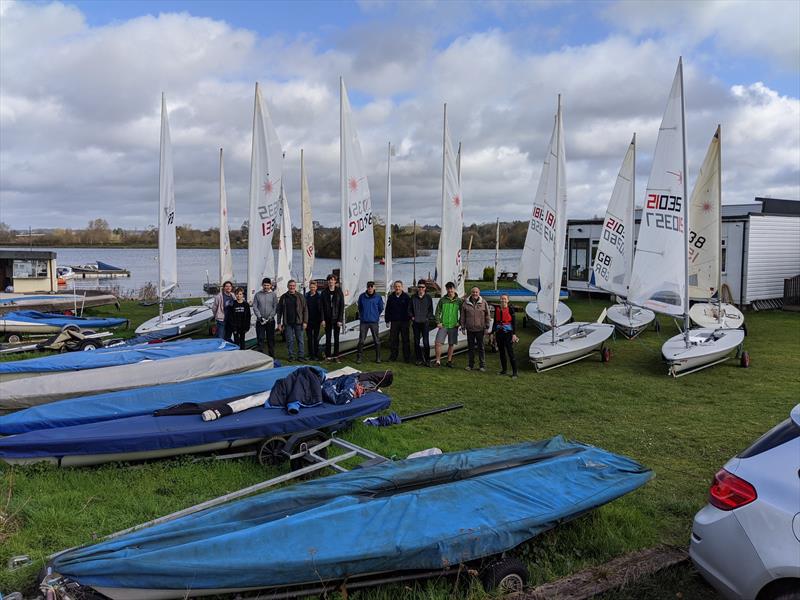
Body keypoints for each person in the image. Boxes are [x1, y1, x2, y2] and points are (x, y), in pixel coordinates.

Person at [460, 286, 490, 371]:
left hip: (480, 329)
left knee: (481, 348)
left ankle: (482, 365)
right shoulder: (466, 303)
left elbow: (487, 315)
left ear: (479, 293)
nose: (475, 294)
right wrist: (462, 326)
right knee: (471, 348)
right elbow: (463, 316)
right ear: (471, 293)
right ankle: (470, 365)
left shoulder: (483, 302)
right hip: (470, 329)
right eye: (473, 292)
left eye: (476, 292)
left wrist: (487, 326)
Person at [277, 279, 308, 361]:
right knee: (289, 340)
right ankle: (291, 356)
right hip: (287, 323)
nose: (292, 287)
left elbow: (305, 310)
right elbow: (279, 310)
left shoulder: (300, 296)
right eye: (290, 285)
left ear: (295, 287)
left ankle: (301, 356)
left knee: (300, 340)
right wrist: (279, 323)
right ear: (288, 286)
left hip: (298, 322)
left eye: (293, 286)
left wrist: (305, 321)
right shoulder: (283, 297)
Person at [434, 281, 462, 367]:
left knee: (451, 344)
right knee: (438, 343)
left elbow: (463, 313)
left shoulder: (459, 301)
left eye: (451, 289)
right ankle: (438, 361)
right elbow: (437, 312)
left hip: (453, 326)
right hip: (443, 325)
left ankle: (449, 361)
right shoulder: (442, 300)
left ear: (454, 289)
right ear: (446, 289)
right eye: (448, 289)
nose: (450, 290)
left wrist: (459, 322)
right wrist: (438, 322)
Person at [491, 294, 519, 378]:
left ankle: (515, 372)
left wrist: (514, 334)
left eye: (505, 299)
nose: (503, 300)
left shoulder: (510, 309)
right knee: (501, 353)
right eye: (502, 299)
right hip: (499, 333)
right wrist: (492, 333)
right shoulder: (497, 309)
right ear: (500, 300)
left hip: (508, 333)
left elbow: (513, 323)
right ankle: (504, 370)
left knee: (510, 353)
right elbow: (495, 322)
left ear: (508, 300)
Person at [356, 281, 384, 363]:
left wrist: (375, 315)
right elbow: (360, 308)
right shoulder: (362, 296)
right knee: (361, 340)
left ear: (374, 287)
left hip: (374, 322)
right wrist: (363, 315)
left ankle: (378, 357)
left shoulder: (378, 297)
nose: (370, 288)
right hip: (364, 322)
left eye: (372, 286)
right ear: (367, 287)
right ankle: (359, 357)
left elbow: (380, 308)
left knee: (376, 340)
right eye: (368, 286)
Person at [409, 279, 434, 366]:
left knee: (426, 342)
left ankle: (427, 359)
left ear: (425, 288)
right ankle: (419, 358)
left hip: (425, 323)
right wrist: (412, 317)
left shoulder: (428, 298)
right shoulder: (413, 297)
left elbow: (431, 310)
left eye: (422, 287)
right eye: (419, 287)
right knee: (416, 342)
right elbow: (409, 310)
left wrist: (427, 318)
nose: (420, 289)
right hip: (416, 323)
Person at [385, 280, 411, 362]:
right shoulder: (391, 297)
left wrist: (410, 318)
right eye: (396, 286)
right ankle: (393, 357)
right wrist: (387, 320)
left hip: (404, 322)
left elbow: (410, 309)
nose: (397, 288)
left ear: (402, 287)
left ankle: (407, 357)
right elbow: (387, 309)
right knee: (393, 340)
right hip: (394, 321)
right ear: (393, 287)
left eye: (399, 286)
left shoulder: (406, 297)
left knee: (405, 340)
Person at [320, 274, 344, 361]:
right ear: (328, 281)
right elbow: (321, 307)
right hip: (327, 318)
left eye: (332, 280)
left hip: (336, 318)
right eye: (329, 280)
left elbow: (341, 307)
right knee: (328, 338)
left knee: (336, 338)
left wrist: (340, 319)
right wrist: (322, 319)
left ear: (335, 281)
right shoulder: (324, 292)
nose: (331, 281)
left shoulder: (339, 292)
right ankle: (328, 356)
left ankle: (336, 355)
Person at [252, 277, 277, 356]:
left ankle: (271, 356)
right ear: (262, 285)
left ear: (270, 285)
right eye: (264, 285)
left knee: (271, 339)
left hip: (270, 321)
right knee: (260, 339)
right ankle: (260, 356)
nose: (266, 287)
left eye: (267, 285)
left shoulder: (273, 295)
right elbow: (255, 306)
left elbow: (275, 307)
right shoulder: (257, 294)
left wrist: (270, 317)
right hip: (260, 321)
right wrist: (259, 317)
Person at [305, 280, 323, 360]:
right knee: (309, 338)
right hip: (308, 320)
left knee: (315, 338)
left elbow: (322, 309)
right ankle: (310, 354)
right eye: (311, 287)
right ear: (309, 287)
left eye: (314, 287)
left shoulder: (319, 297)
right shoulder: (306, 296)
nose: (312, 288)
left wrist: (322, 319)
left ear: (316, 287)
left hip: (316, 320)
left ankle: (315, 354)